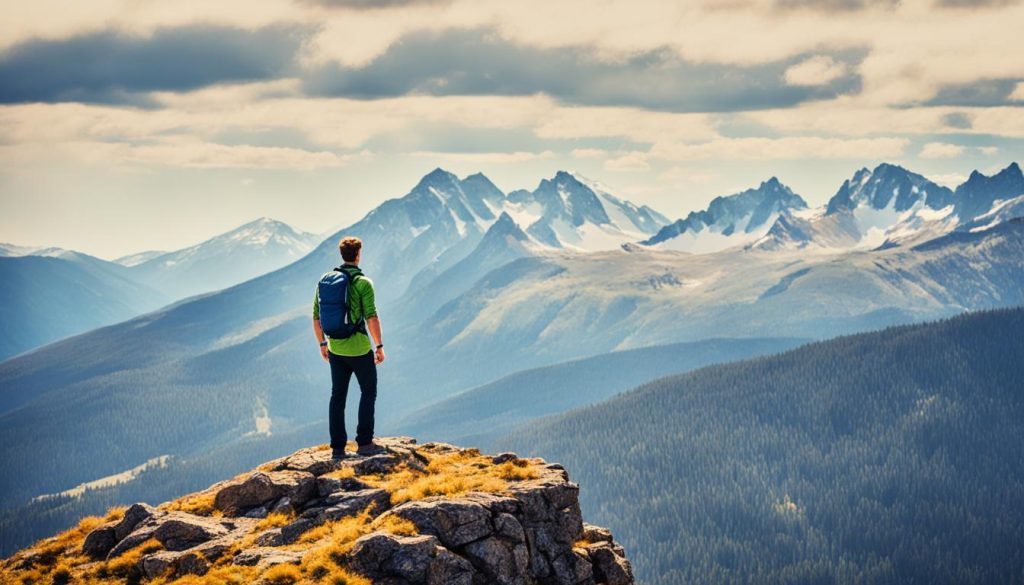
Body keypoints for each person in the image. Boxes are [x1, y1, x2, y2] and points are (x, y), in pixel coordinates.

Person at [312, 236, 386, 459]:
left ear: (342, 255)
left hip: (335, 349)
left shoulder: (325, 282)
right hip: (360, 349)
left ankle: (337, 448)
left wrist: (323, 343)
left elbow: (316, 317)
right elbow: (371, 317)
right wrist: (379, 346)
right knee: (368, 392)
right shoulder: (363, 283)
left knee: (337, 396)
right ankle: (364, 443)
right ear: (358, 255)